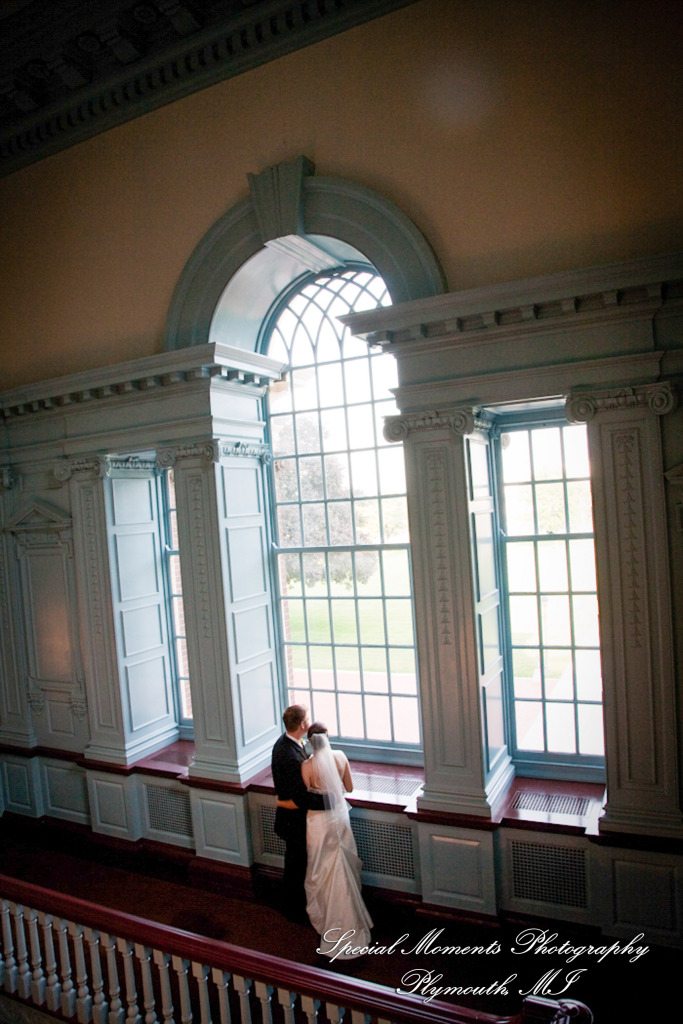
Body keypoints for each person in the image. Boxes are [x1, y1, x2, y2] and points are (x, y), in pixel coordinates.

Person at [301, 721, 373, 959]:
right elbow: (349, 789)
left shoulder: (307, 766)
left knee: (321, 865)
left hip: (318, 820)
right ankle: (352, 917)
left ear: (310, 743)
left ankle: (328, 919)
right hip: (339, 816)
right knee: (342, 861)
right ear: (328, 737)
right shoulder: (341, 756)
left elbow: (307, 794)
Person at [271, 705, 324, 923]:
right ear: (302, 725)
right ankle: (293, 910)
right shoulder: (290, 756)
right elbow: (301, 797)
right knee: (296, 866)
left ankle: (293, 905)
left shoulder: (287, 744)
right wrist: (330, 802)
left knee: (296, 863)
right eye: (308, 719)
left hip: (292, 817)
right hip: (293, 823)